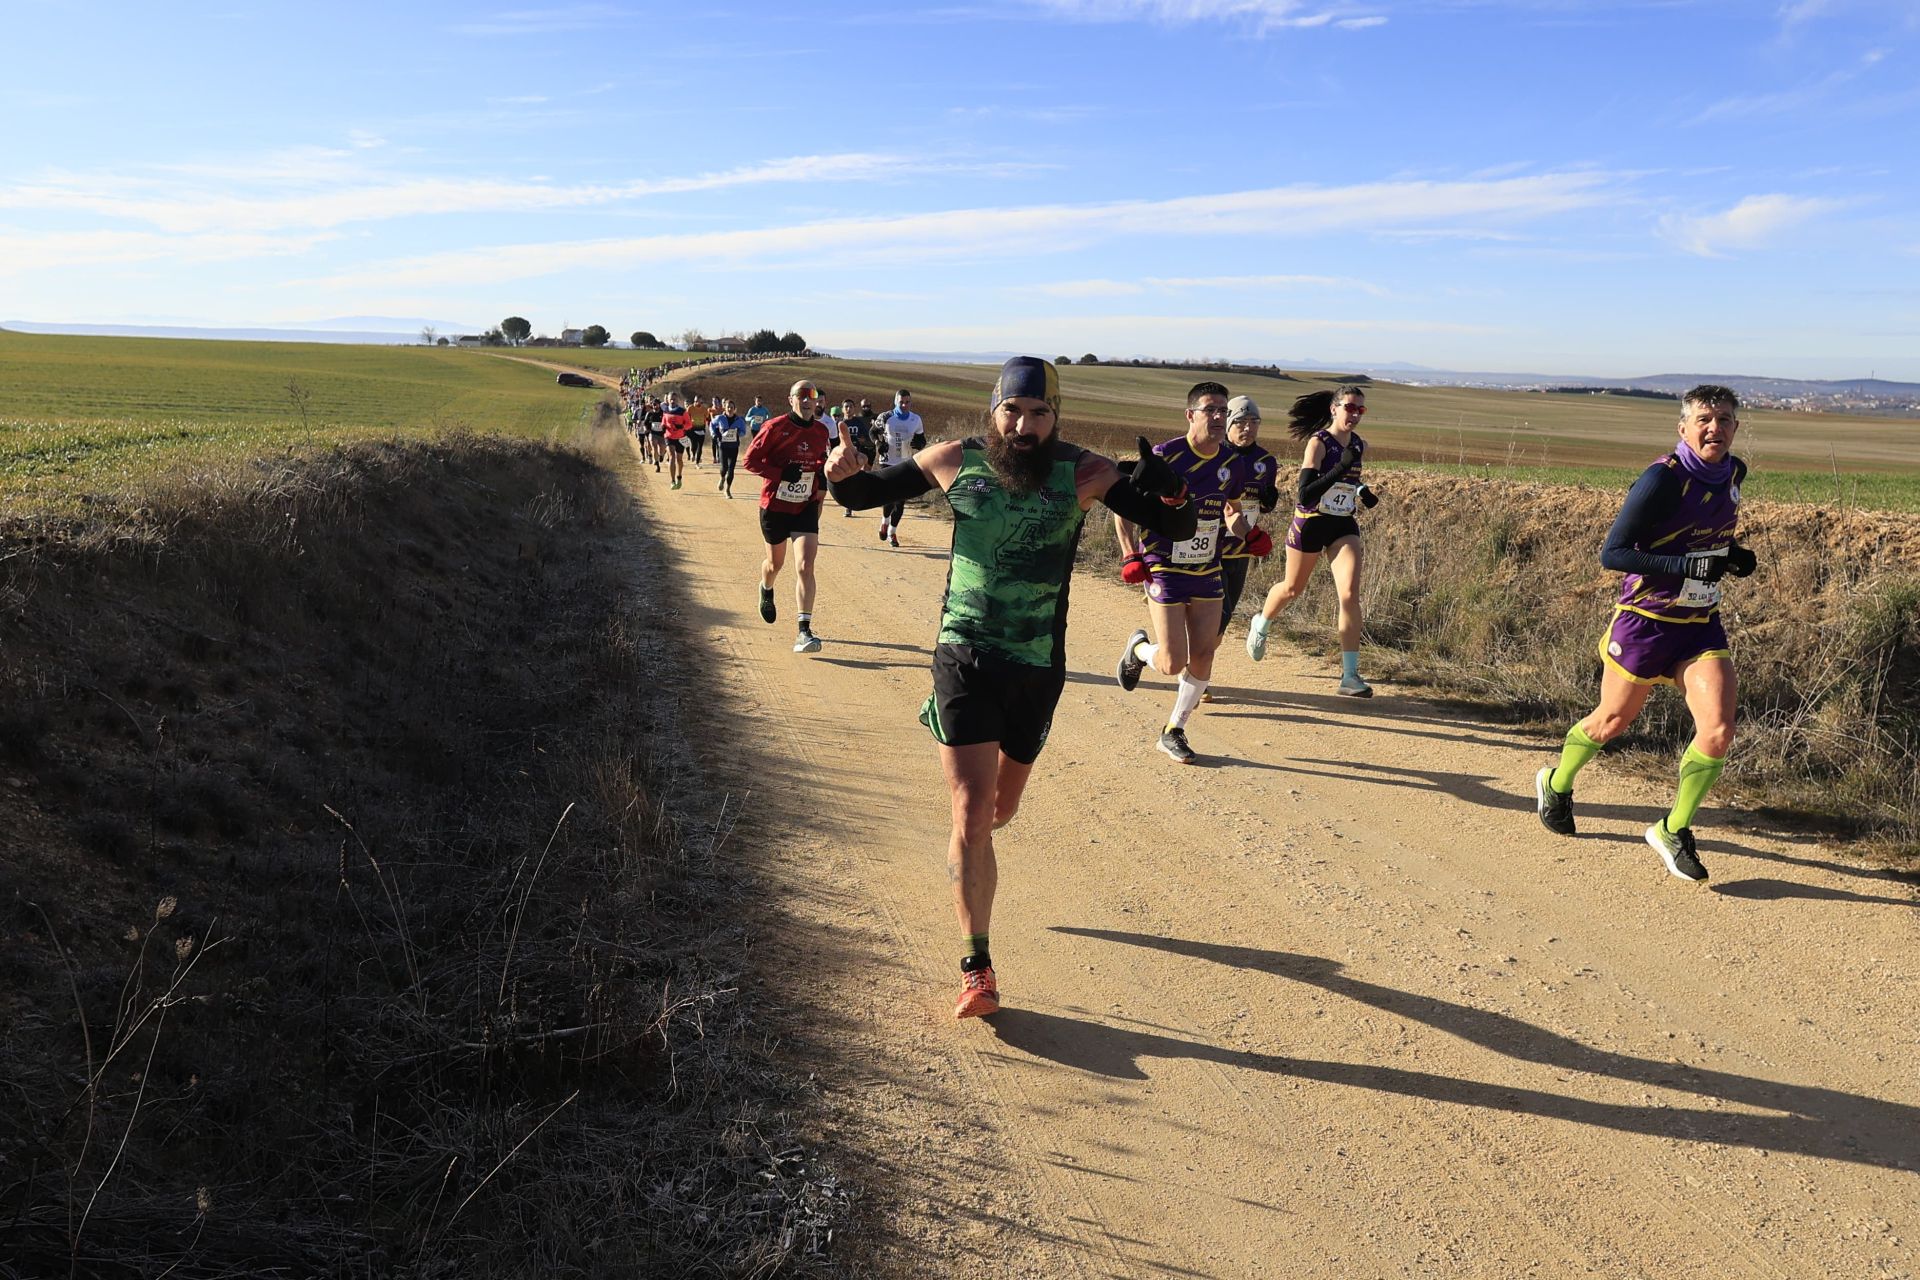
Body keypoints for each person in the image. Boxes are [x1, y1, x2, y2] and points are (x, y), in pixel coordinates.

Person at [825, 357, 1198, 1020]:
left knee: (998, 812)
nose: (1024, 427)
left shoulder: (1085, 472)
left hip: (1036, 668)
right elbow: (861, 495)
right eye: (1012, 411)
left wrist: (1171, 494)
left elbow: (1176, 529)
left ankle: (969, 854)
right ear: (992, 410)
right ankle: (977, 967)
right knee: (970, 813)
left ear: (1057, 418)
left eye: (1039, 414)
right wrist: (841, 476)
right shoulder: (951, 461)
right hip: (963, 657)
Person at [1534, 385, 1756, 882]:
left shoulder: (1734, 474)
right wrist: (1684, 564)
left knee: (1718, 731)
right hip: (1645, 621)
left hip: (1699, 625)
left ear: (1736, 429)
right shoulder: (1661, 479)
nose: (1713, 427)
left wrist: (1732, 554)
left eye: (1723, 419)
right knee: (1612, 721)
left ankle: (1672, 830)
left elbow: (1709, 532)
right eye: (1703, 418)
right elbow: (1613, 554)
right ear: (1683, 428)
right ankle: (1556, 781)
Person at [1112, 382, 1266, 763]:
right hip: (1163, 566)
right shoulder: (1165, 457)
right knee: (1171, 663)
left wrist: (1250, 533)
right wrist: (1131, 555)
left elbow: (1230, 510)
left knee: (1203, 656)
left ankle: (1174, 729)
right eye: (1209, 410)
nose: (1217, 417)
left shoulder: (1232, 464)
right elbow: (1122, 510)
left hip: (1207, 568)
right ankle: (1139, 649)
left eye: (1222, 411)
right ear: (1191, 415)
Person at [1245, 386, 1380, 697]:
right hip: (1311, 523)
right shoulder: (1318, 443)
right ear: (1334, 409)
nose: (1355, 414)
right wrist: (1340, 468)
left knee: (1349, 594)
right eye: (1350, 407)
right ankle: (1262, 623)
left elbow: (1350, 478)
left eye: (1361, 409)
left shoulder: (1358, 444)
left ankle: (1350, 676)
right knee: (1292, 588)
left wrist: (1362, 491)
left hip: (1342, 524)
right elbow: (1305, 493)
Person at [741, 379, 833, 652]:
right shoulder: (775, 427)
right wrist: (781, 474)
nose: (807, 400)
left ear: (818, 401)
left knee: (805, 565)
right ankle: (766, 588)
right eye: (801, 395)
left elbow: (820, 463)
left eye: (812, 395)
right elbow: (749, 461)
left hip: (804, 507)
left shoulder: (820, 431)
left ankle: (804, 632)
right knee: (775, 564)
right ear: (790, 399)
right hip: (775, 507)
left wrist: (822, 482)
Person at [876, 389, 924, 546]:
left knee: (901, 501)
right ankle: (884, 521)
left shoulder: (916, 419)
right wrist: (879, 444)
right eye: (901, 402)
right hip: (887, 461)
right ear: (895, 402)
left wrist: (919, 444)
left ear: (911, 402)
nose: (904, 405)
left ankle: (892, 532)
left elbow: (921, 439)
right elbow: (872, 432)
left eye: (907, 402)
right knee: (888, 498)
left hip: (905, 462)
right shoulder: (886, 417)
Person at [711, 397, 746, 497]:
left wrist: (738, 433)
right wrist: (714, 434)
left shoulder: (739, 420)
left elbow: (743, 431)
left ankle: (727, 490)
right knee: (724, 468)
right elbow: (712, 424)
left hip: (734, 447)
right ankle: (722, 478)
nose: (730, 409)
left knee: (731, 469)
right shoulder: (720, 418)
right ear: (724, 408)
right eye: (728, 407)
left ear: (734, 409)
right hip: (723, 446)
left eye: (731, 407)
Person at [661, 395, 691, 489]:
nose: (672, 401)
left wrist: (682, 427)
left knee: (679, 459)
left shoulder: (682, 411)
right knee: (671, 457)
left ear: (677, 400)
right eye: (671, 399)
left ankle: (679, 477)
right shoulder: (666, 410)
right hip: (669, 437)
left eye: (674, 399)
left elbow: (689, 424)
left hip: (680, 438)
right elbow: (663, 421)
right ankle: (672, 481)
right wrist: (663, 426)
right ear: (668, 400)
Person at [686, 395, 712, 466]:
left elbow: (707, 418)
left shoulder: (704, 409)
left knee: (700, 446)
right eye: (696, 401)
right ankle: (693, 454)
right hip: (693, 429)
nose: (698, 403)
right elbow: (686, 418)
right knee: (694, 445)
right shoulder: (690, 408)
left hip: (701, 429)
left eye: (700, 401)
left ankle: (697, 463)